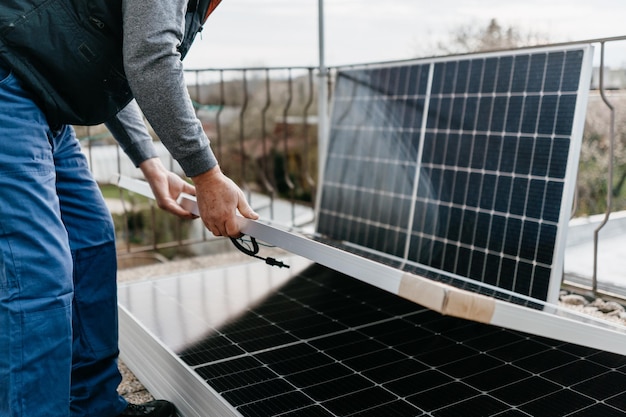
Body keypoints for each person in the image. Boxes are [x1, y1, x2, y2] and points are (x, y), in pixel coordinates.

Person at [0, 0, 258, 416]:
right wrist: (206, 174)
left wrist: (150, 162)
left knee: (90, 243)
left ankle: (93, 406)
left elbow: (117, 64)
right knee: (36, 272)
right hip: (9, 86)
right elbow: (150, 56)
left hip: (47, 103)